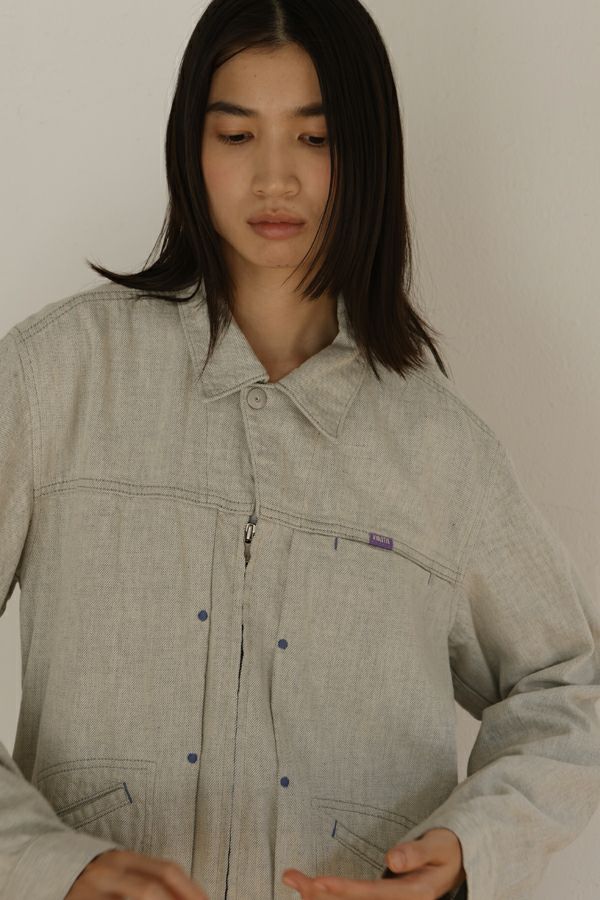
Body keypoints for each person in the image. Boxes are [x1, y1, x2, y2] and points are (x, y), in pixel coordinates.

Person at [1, 1, 599, 898]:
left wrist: (470, 848)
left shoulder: (441, 450)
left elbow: (573, 689)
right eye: (237, 135)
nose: (274, 178)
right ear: (191, 146)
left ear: (366, 155)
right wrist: (47, 863)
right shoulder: (58, 378)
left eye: (315, 139)